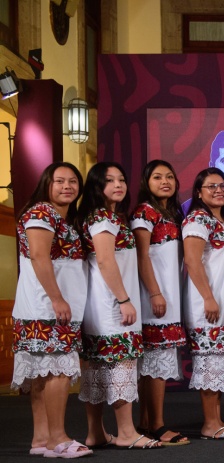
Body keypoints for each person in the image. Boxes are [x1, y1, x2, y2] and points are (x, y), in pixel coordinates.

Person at [78, 162, 162, 450]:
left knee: (97, 370)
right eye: (109, 180)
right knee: (120, 367)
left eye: (122, 179)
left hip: (100, 307)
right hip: (110, 305)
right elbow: (104, 260)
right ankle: (126, 432)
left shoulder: (105, 216)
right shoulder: (102, 217)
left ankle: (96, 433)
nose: (118, 184)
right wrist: (124, 300)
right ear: (96, 186)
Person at [11, 162, 93, 458]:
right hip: (47, 307)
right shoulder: (41, 213)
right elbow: (39, 257)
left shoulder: (61, 217)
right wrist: (57, 298)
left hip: (47, 307)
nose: (67, 186)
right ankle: (59, 439)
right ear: (46, 183)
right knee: (57, 371)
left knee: (43, 373)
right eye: (59, 181)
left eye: (73, 181)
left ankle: (41, 439)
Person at [183, 167, 224, 440]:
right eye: (211, 186)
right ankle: (209, 423)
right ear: (199, 192)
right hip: (208, 302)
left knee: (219, 362)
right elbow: (191, 261)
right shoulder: (198, 219)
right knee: (209, 362)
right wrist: (208, 297)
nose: (219, 190)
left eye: (223, 185)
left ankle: (217, 420)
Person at [131, 160, 189, 445]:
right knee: (156, 364)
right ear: (146, 182)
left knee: (155, 363)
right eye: (157, 177)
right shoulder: (145, 212)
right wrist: (154, 292)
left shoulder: (170, 213)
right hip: (154, 299)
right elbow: (141, 257)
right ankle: (158, 424)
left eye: (169, 176)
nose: (165, 181)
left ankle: (145, 422)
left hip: (169, 297)